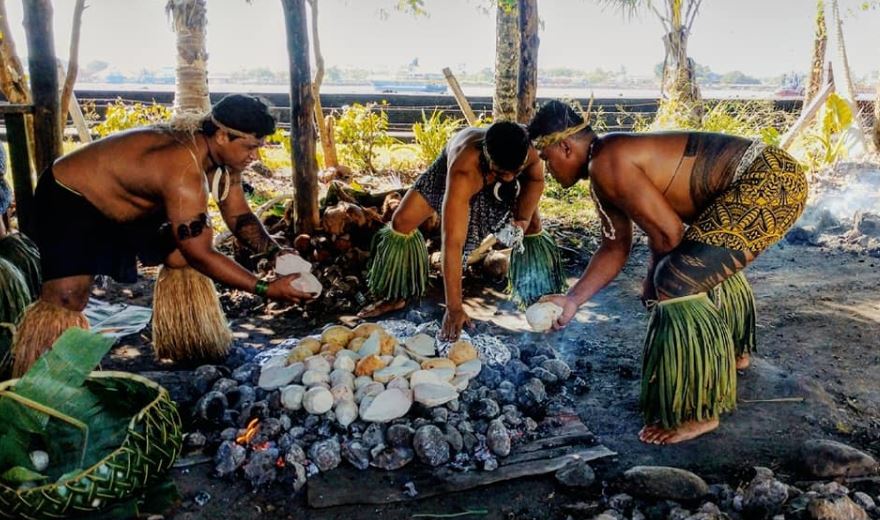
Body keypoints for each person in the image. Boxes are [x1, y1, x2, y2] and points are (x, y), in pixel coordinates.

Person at [528, 99, 808, 445]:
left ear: (565, 147)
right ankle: (735, 351)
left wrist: (653, 286)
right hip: (771, 176)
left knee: (676, 280)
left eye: (546, 159)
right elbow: (615, 247)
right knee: (697, 259)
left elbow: (668, 234)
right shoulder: (605, 162)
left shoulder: (607, 162)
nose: (549, 171)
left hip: (768, 182)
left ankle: (698, 411)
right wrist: (572, 300)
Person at [12, 94, 313, 376]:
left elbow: (239, 216)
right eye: (251, 147)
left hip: (133, 203)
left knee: (179, 256)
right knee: (68, 297)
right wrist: (266, 289)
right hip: (73, 197)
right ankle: (41, 379)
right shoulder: (183, 169)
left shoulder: (223, 158)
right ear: (223, 135)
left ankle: (190, 342)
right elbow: (201, 253)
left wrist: (276, 253)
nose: (255, 156)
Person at [360, 121, 564, 341]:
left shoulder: (528, 150)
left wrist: (522, 219)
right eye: (502, 173)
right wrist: (454, 307)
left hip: (500, 174)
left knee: (533, 226)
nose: (509, 178)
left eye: (514, 172)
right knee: (401, 222)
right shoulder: (463, 171)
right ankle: (396, 293)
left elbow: (535, 179)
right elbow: (452, 243)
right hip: (456, 170)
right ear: (487, 155)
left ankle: (541, 296)